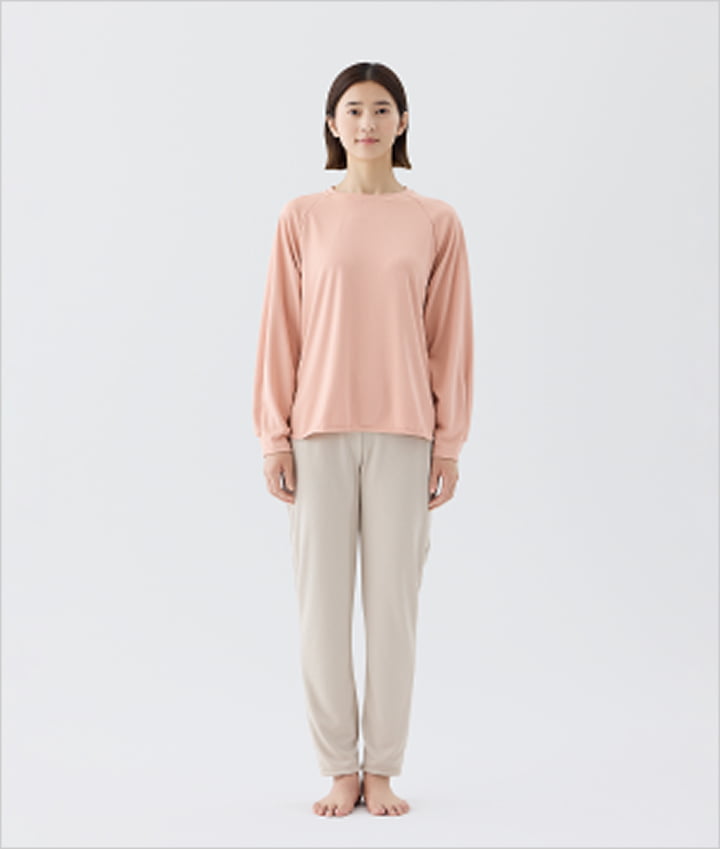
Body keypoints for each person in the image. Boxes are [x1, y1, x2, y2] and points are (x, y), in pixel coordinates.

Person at [252, 61, 474, 817]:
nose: (367, 122)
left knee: (393, 612)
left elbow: (450, 338)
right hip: (316, 431)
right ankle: (336, 767)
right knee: (320, 609)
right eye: (353, 109)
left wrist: (449, 444)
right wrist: (274, 435)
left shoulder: (436, 221)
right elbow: (279, 330)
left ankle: (382, 766)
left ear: (402, 122)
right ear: (332, 123)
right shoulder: (302, 217)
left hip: (405, 432)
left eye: (382, 109)